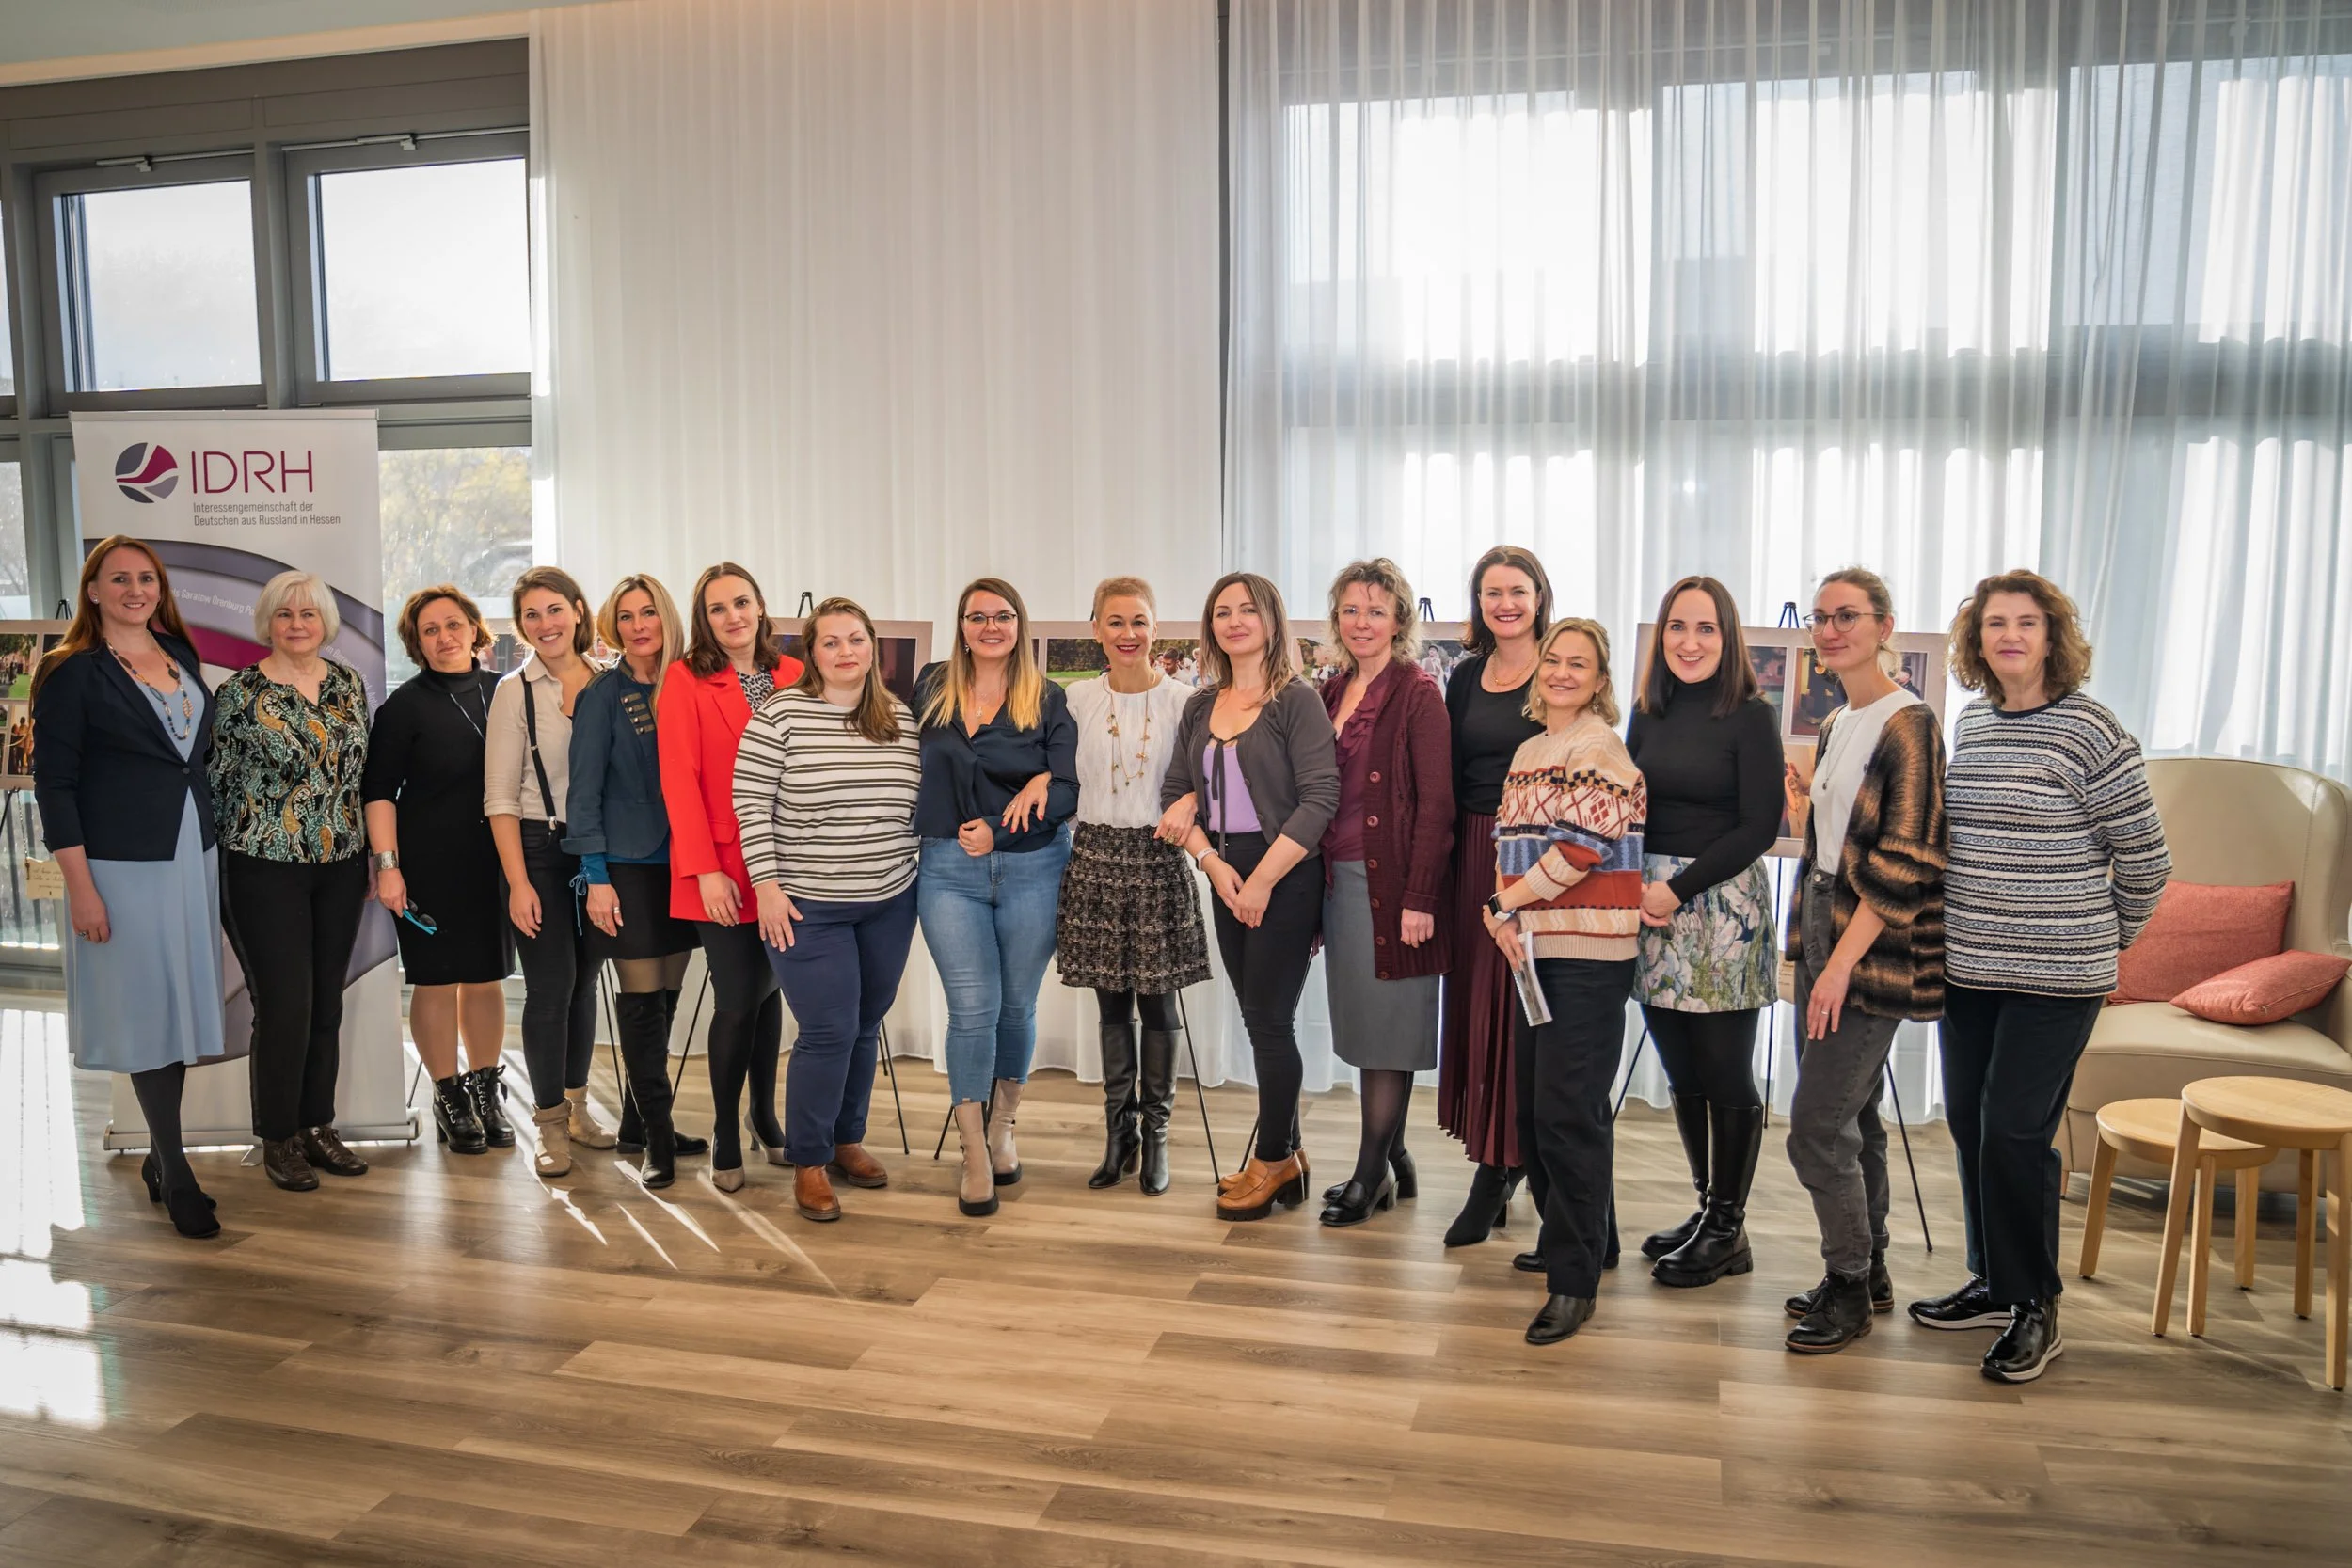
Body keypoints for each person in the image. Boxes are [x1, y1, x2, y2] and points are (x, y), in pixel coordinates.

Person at [1920, 570, 2169, 1382]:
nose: (2010, 636)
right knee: (1970, 1123)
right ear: (1977, 639)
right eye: (1995, 623)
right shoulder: (1975, 722)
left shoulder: (2092, 730)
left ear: (2053, 636)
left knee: (2015, 1132)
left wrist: (2104, 940)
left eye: (2027, 622)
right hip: (1970, 968)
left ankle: (2036, 1304)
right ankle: (1994, 1279)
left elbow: (2147, 860)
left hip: (2058, 977)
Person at [33, 537, 226, 1238]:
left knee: (176, 1007)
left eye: (147, 578)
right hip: (119, 865)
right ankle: (176, 1170)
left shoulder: (178, 653)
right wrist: (81, 888)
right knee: (147, 1011)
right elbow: (54, 786)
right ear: (93, 590)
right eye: (119, 579)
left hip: (190, 852)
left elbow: (190, 759)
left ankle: (158, 1155)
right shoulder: (72, 672)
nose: (135, 589)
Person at [1780, 567, 1947, 1354]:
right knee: (1856, 1115)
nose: (1830, 629)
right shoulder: (1838, 720)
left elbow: (1907, 861)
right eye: (1820, 616)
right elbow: (1824, 849)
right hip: (1822, 923)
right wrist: (1809, 954)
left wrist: (1842, 964)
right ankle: (1870, 1267)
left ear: (1885, 624)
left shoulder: (1909, 723)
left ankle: (1846, 1286)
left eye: (1847, 615)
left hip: (1870, 943)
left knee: (1815, 1127)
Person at [1483, 619, 1646, 1345]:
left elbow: (1579, 849)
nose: (1561, 672)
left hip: (1589, 954)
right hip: (1533, 951)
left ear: (1600, 680)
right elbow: (1507, 846)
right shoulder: (1529, 751)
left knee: (1568, 1114)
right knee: (1537, 1112)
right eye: (1554, 659)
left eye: (1579, 663)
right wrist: (1503, 916)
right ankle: (1584, 1239)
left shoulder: (1599, 747)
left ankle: (1574, 1281)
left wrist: (1506, 904)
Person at [734, 597, 923, 1222]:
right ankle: (809, 1159)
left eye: (856, 639)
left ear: (872, 647)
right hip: (806, 905)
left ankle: (847, 1140)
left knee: (865, 1023)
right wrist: (766, 887)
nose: (845, 651)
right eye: (830, 642)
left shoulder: (900, 718)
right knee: (828, 1030)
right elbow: (750, 804)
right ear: (811, 653)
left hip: (889, 899)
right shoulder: (780, 714)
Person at [1158, 572, 1339, 1222]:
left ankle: (1271, 1160)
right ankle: (1289, 1155)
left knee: (1268, 1020)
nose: (1234, 621)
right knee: (1260, 1017)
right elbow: (1175, 794)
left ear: (1270, 620)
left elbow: (1320, 798)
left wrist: (1261, 880)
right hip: (1224, 872)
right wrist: (1211, 864)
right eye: (1222, 611)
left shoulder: (1297, 701)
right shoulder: (1200, 704)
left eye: (1247, 610)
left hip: (1284, 875)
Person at [1626, 577, 1783, 1287]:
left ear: (1728, 638)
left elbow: (1758, 826)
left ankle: (1727, 1227)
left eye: (1706, 628)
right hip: (1650, 908)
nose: (1689, 642)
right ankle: (1707, 1210)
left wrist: (1676, 889)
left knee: (1723, 1072)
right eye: (1677, 627)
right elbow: (1631, 807)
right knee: (1683, 1072)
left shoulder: (1751, 715)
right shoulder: (1646, 710)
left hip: (1721, 909)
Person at [915, 578, 1079, 1216]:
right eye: (977, 616)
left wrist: (1009, 820)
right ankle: (974, 1152)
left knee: (1015, 1006)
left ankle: (1003, 1127)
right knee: (971, 1010)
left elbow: (1068, 790)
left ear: (1019, 624)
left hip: (1035, 867)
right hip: (947, 869)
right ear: (960, 626)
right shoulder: (930, 686)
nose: (991, 626)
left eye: (1003, 616)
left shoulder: (1048, 695)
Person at [210, 571, 373, 1192]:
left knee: (326, 1002)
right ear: (268, 622)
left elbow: (361, 776)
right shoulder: (239, 692)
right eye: (285, 614)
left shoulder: (347, 684)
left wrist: (372, 855)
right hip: (262, 866)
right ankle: (278, 1138)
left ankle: (315, 1125)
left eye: (308, 613)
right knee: (285, 1006)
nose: (297, 624)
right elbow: (216, 782)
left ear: (325, 621)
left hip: (340, 865)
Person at [1056, 577, 1211, 1196]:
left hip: (1158, 857)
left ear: (1156, 626)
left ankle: (1158, 1134)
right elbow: (1055, 773)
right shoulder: (1076, 701)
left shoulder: (1185, 701)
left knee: (1158, 1004)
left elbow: (1208, 776)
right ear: (1095, 628)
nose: (1128, 634)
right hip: (1094, 856)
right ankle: (1119, 1134)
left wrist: (1192, 800)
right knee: (1111, 1004)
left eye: (1138, 621)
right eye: (1115, 622)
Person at [655, 562, 804, 1191]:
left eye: (741, 602)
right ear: (704, 620)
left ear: (760, 605)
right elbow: (679, 780)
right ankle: (724, 1129)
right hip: (721, 869)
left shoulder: (794, 672)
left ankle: (763, 1117)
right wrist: (705, 870)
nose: (733, 616)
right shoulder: (685, 678)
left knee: (771, 995)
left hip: (791, 864)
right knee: (738, 999)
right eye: (718, 608)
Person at [1316, 560, 1454, 1227]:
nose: (1362, 622)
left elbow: (1436, 805)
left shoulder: (1419, 694)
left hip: (1395, 889)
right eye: (1351, 609)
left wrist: (1421, 896)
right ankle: (1394, 1158)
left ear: (1399, 619)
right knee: (1367, 1028)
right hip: (1340, 885)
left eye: (1375, 610)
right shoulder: (1329, 690)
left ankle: (1370, 1174)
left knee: (1389, 1032)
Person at [362, 587, 516, 1157]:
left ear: (475, 629)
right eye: (430, 630)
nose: (445, 636)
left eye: (454, 624)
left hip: (497, 861)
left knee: (486, 976)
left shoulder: (507, 691)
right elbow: (378, 792)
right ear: (417, 644)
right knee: (435, 979)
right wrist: (389, 868)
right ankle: (448, 1095)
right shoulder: (403, 707)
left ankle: (485, 1091)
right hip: (427, 863)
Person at [567, 574, 705, 1188]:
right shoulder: (603, 694)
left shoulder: (690, 682)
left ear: (665, 616)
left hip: (687, 864)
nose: (638, 625)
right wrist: (596, 877)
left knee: (668, 998)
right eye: (625, 616)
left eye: (647, 612)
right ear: (612, 626)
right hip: (627, 867)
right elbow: (583, 794)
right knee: (643, 1002)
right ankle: (659, 1140)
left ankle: (638, 1120)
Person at [1439, 545, 1550, 1246]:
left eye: (1516, 591)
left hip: (1537, 857)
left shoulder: (1560, 666)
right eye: (1491, 593)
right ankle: (1496, 1156)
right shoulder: (1465, 675)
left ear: (1539, 596)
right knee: (1478, 1008)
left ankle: (1515, 1161)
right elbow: (1449, 773)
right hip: (1472, 853)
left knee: (1523, 1012)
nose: (1504, 604)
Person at [485, 565, 610, 1178]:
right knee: (550, 988)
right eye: (531, 615)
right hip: (538, 848)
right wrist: (518, 883)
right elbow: (500, 797)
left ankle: (579, 1108)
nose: (545, 624)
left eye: (554, 609)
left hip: (600, 854)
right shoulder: (515, 690)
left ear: (578, 611)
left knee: (585, 983)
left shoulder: (611, 682)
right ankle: (550, 1125)